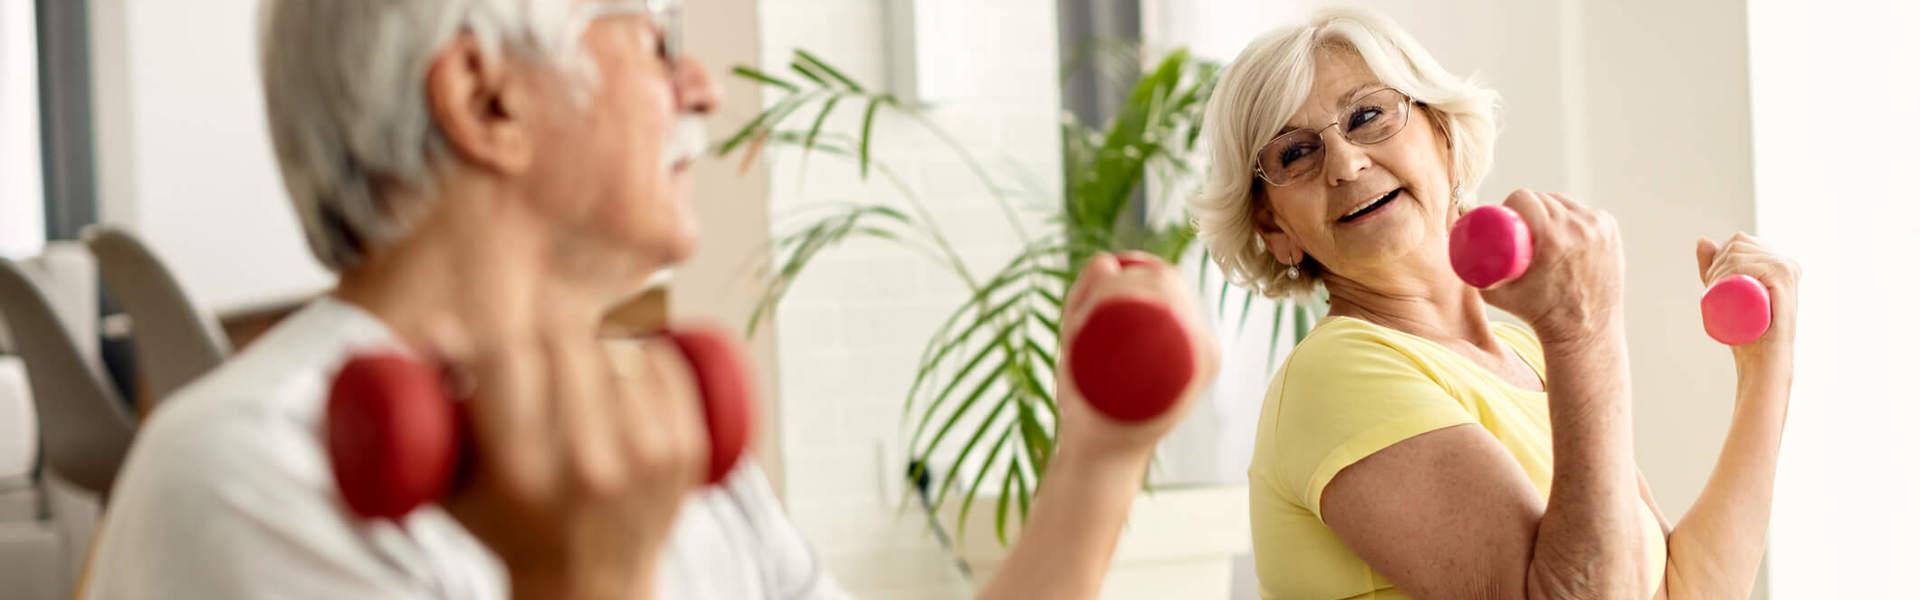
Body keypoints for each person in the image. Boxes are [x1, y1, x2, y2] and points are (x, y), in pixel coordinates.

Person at [82, 1, 1219, 598]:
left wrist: (1098, 459)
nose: (703, 84)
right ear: (486, 97)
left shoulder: (648, 435)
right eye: (650, 36)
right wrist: (582, 576)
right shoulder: (240, 477)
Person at [1188, 8, 1798, 600]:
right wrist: (1586, 330)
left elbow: (1684, 590)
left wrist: (1766, 367)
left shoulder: (1527, 353)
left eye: (1368, 114)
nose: (1346, 163)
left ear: (1446, 139)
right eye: (1296, 153)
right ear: (1275, 230)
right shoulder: (1337, 375)